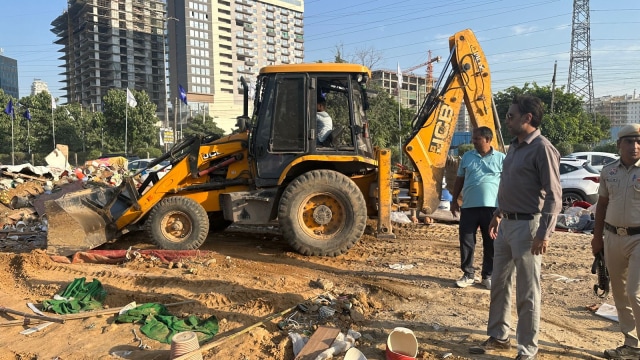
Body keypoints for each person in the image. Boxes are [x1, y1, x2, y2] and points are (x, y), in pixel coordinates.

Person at [472, 95, 562, 360]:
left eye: (511, 116)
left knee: (527, 291)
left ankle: (527, 349)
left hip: (528, 228)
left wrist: (544, 234)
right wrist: (499, 213)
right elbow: (511, 185)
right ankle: (499, 337)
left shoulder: (542, 148)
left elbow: (555, 195)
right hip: (506, 225)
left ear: (527, 118)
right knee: (499, 284)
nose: (507, 120)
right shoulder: (513, 146)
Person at [591, 123, 640, 360]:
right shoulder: (608, 171)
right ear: (619, 145)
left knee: (635, 292)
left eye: (638, 141)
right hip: (612, 237)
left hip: (639, 238)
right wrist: (596, 238)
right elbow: (601, 204)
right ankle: (631, 345)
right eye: (629, 141)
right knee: (620, 293)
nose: (635, 146)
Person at [451, 126, 505, 290]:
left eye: (477, 139)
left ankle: (487, 276)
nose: (473, 141)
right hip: (469, 207)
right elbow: (459, 179)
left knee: (491, 242)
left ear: (488, 140)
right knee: (466, 241)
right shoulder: (467, 157)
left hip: (492, 209)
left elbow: (508, 183)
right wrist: (454, 200)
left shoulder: (501, 158)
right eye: (473, 138)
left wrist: (503, 208)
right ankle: (468, 274)